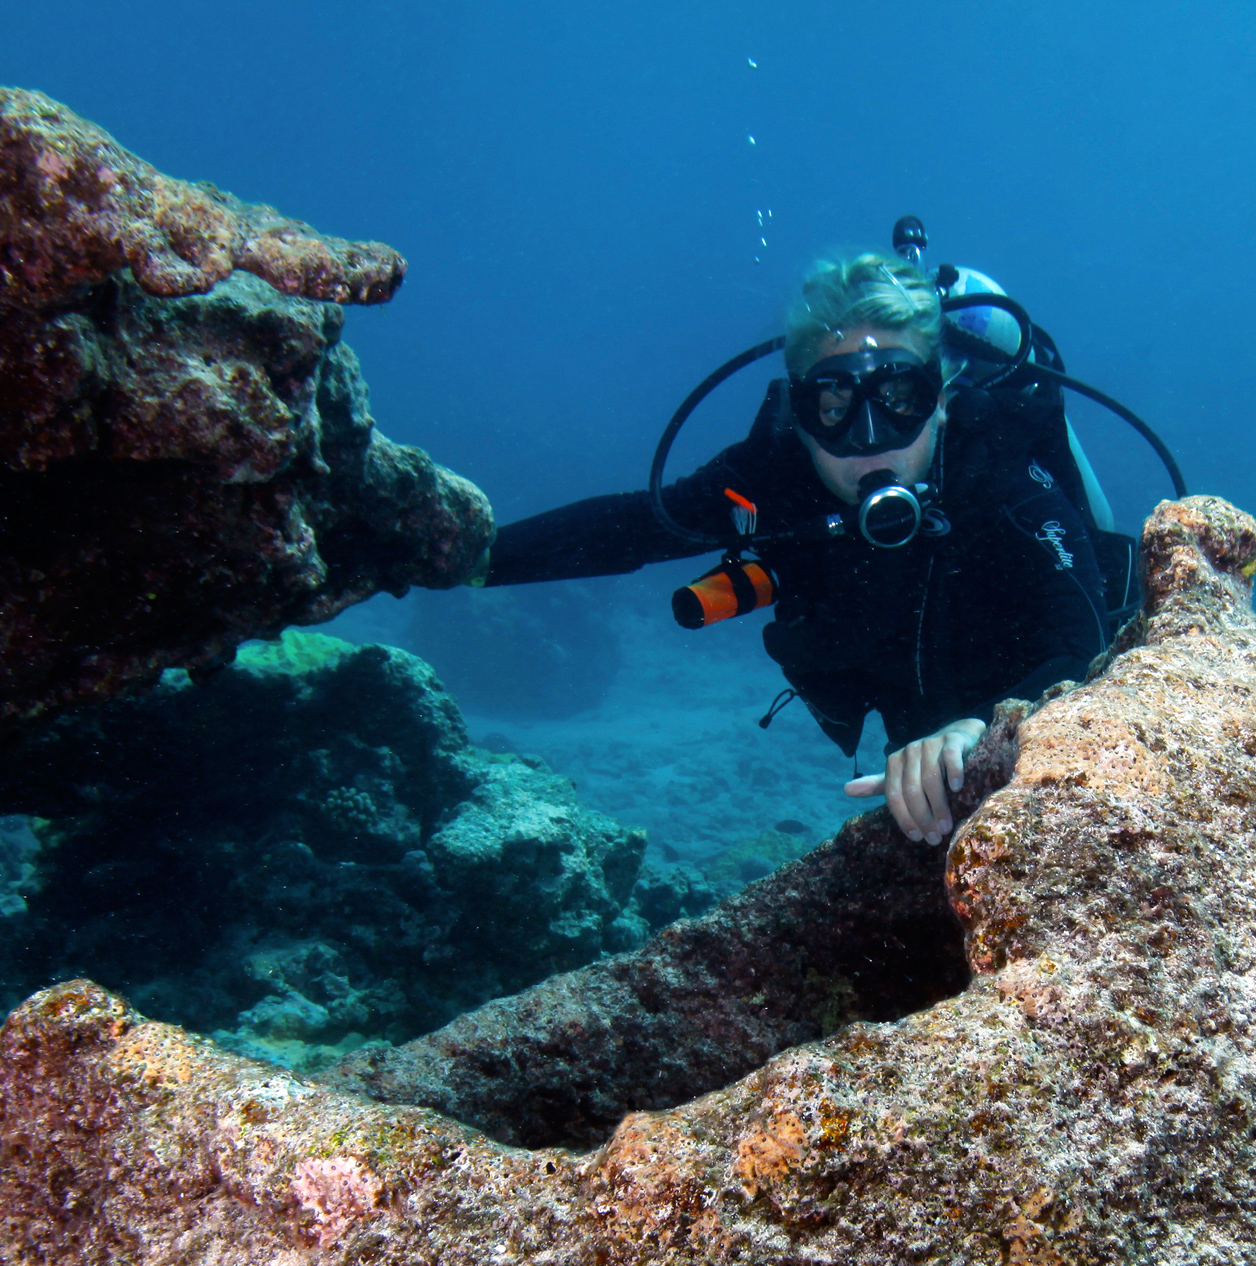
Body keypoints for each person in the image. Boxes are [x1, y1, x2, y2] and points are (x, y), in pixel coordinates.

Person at [479, 252, 1119, 845]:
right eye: (835, 403)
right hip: (916, 756)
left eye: (900, 400)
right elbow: (632, 527)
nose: (869, 439)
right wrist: (467, 554)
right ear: (800, 411)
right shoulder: (773, 475)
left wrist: (979, 724)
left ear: (942, 401)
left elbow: (1081, 635)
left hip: (1021, 730)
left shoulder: (997, 466)